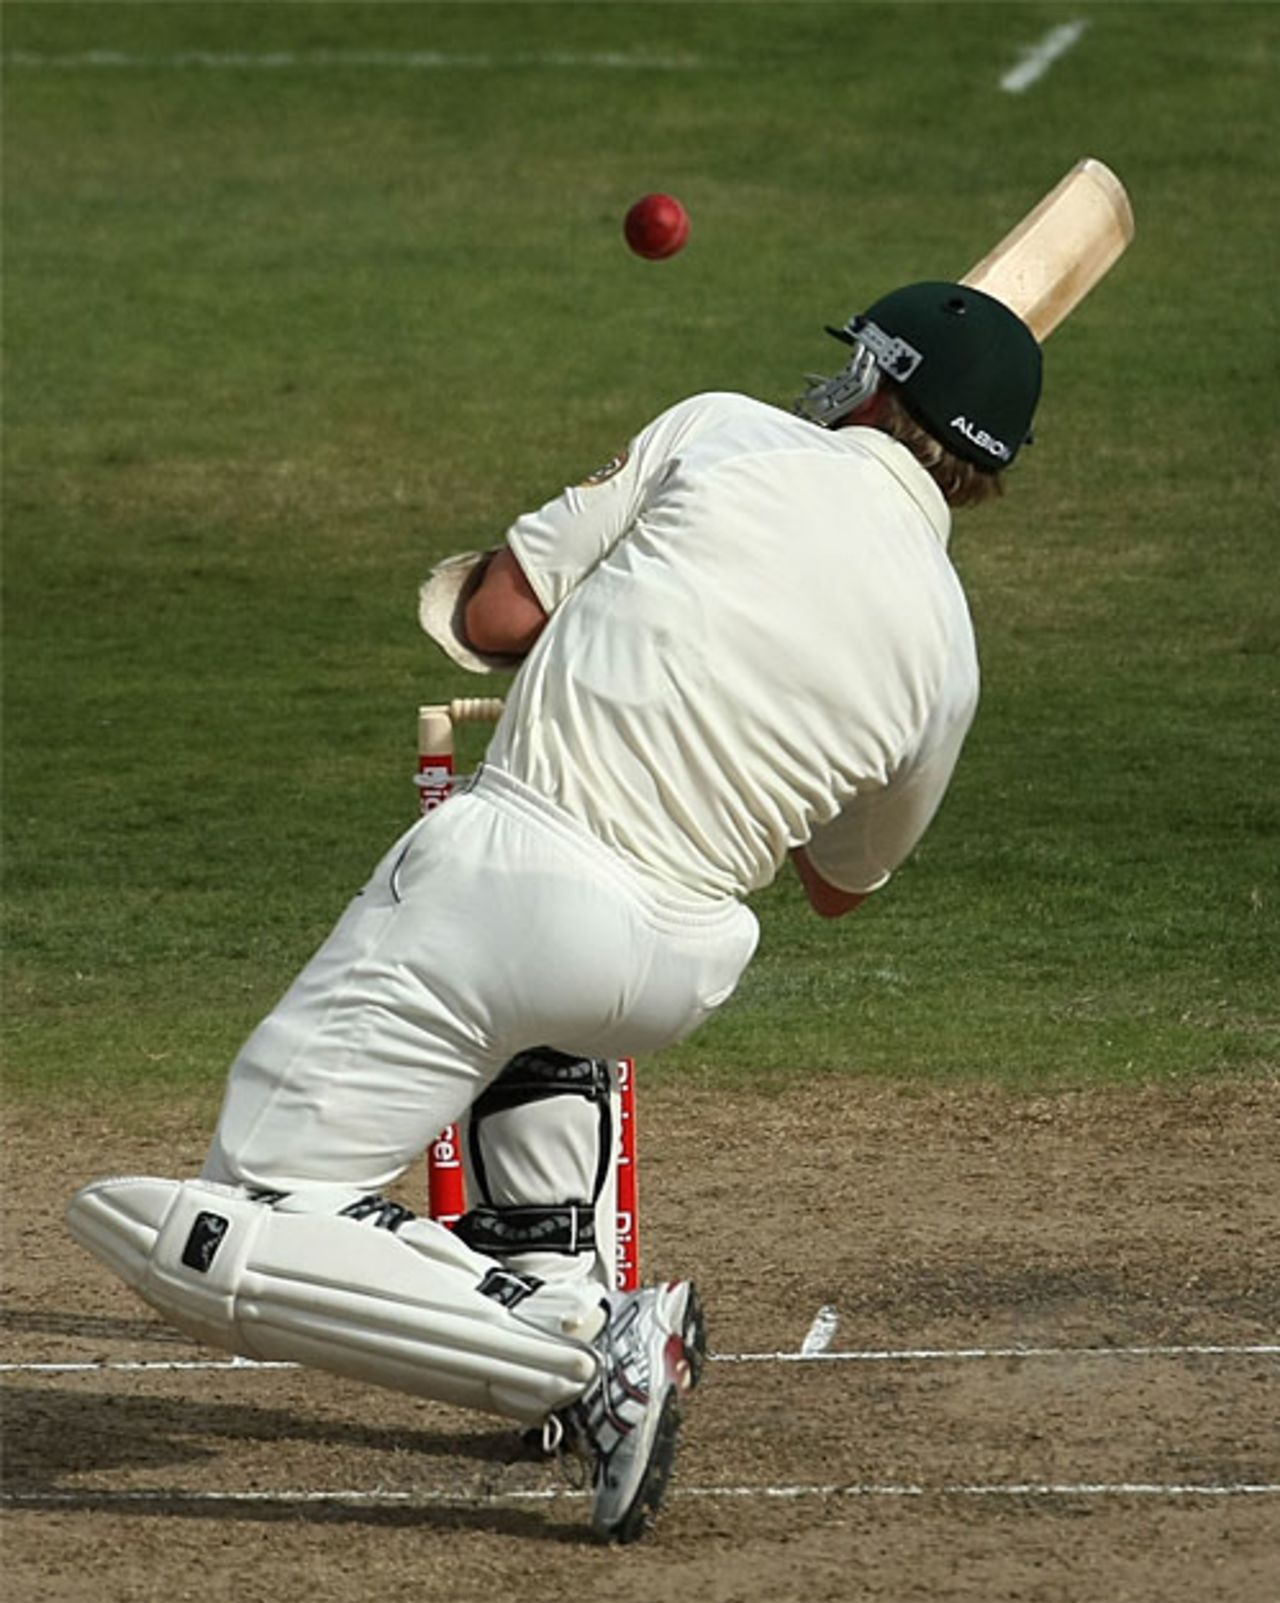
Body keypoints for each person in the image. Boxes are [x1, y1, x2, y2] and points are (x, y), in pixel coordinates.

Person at [67, 281, 1042, 1542]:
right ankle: (545, 1289)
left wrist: (617, 610)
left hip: (509, 880)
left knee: (229, 1219)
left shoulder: (727, 429)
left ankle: (578, 1347)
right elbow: (835, 884)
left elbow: (494, 616)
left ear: (875, 381)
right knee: (525, 1025)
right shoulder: (948, 652)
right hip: (675, 963)